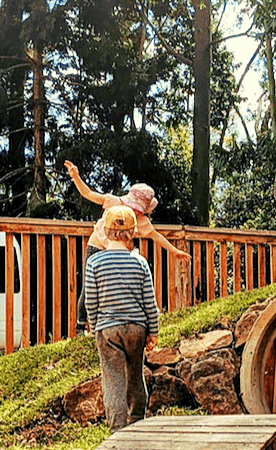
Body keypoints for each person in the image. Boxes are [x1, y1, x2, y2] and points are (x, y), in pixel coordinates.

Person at [65, 160, 190, 334]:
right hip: (97, 248)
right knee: (89, 287)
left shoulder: (142, 221)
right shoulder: (114, 202)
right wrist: (76, 176)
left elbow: (157, 237)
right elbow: (88, 194)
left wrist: (175, 251)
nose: (138, 212)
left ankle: (114, 321)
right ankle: (80, 326)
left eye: (142, 210)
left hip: (117, 254)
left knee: (113, 286)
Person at [85, 206, 160, 432]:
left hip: (108, 329)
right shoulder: (140, 262)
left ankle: (118, 428)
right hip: (137, 329)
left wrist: (95, 322)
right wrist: (153, 332)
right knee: (135, 373)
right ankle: (137, 418)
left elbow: (91, 300)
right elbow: (150, 302)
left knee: (113, 379)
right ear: (132, 233)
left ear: (105, 233)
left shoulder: (94, 263)